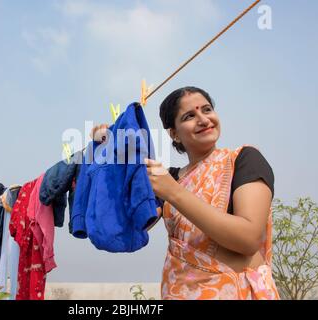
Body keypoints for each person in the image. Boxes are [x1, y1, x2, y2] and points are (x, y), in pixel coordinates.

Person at [90, 86, 280, 300]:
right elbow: (125, 224)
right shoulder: (167, 177)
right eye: (189, 116)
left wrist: (173, 192)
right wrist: (109, 145)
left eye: (207, 110)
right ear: (174, 134)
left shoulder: (243, 159)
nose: (203, 119)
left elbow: (248, 239)